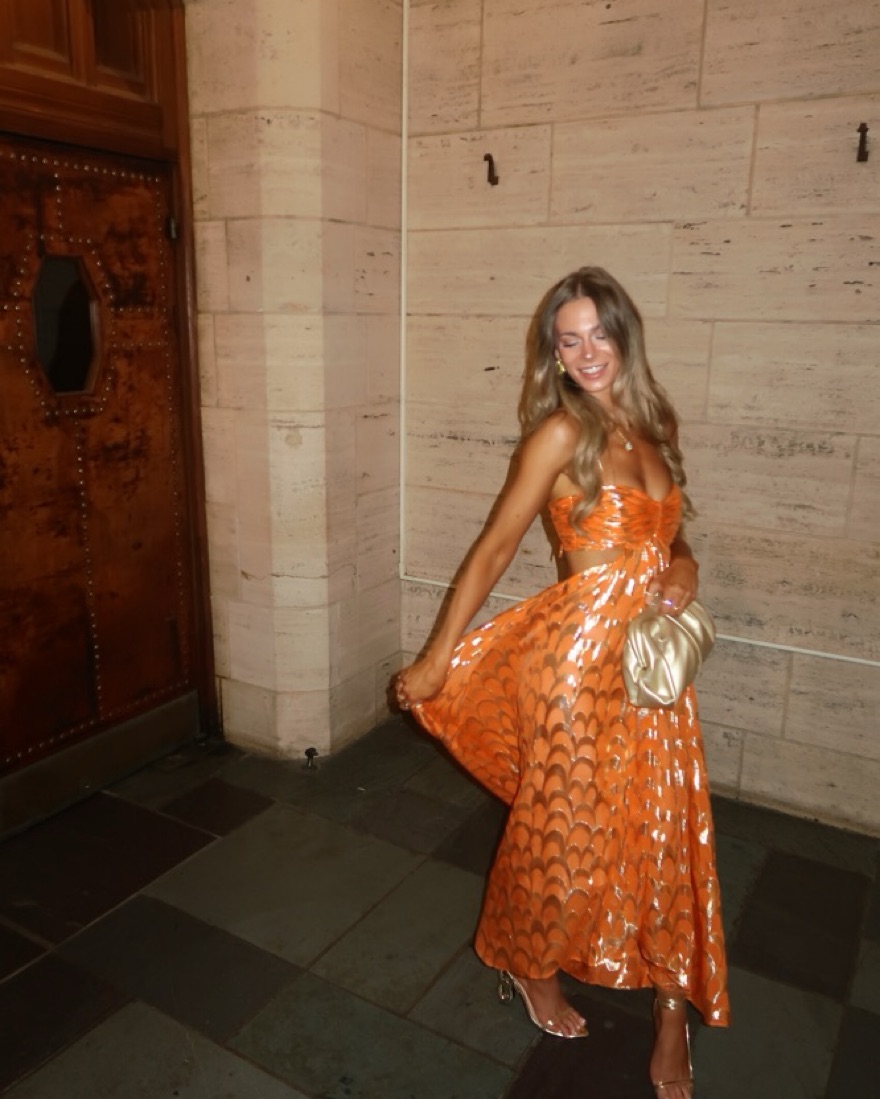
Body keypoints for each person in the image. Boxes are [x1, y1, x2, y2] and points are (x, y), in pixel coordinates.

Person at [394, 266, 729, 1098]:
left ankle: (670, 1010)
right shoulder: (559, 434)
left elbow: (671, 534)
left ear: (625, 335)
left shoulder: (655, 423)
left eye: (598, 333)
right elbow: (496, 546)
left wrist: (684, 564)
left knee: (666, 831)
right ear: (554, 353)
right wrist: (437, 655)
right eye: (568, 340)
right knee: (557, 834)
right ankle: (530, 963)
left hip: (651, 671)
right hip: (577, 667)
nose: (586, 352)